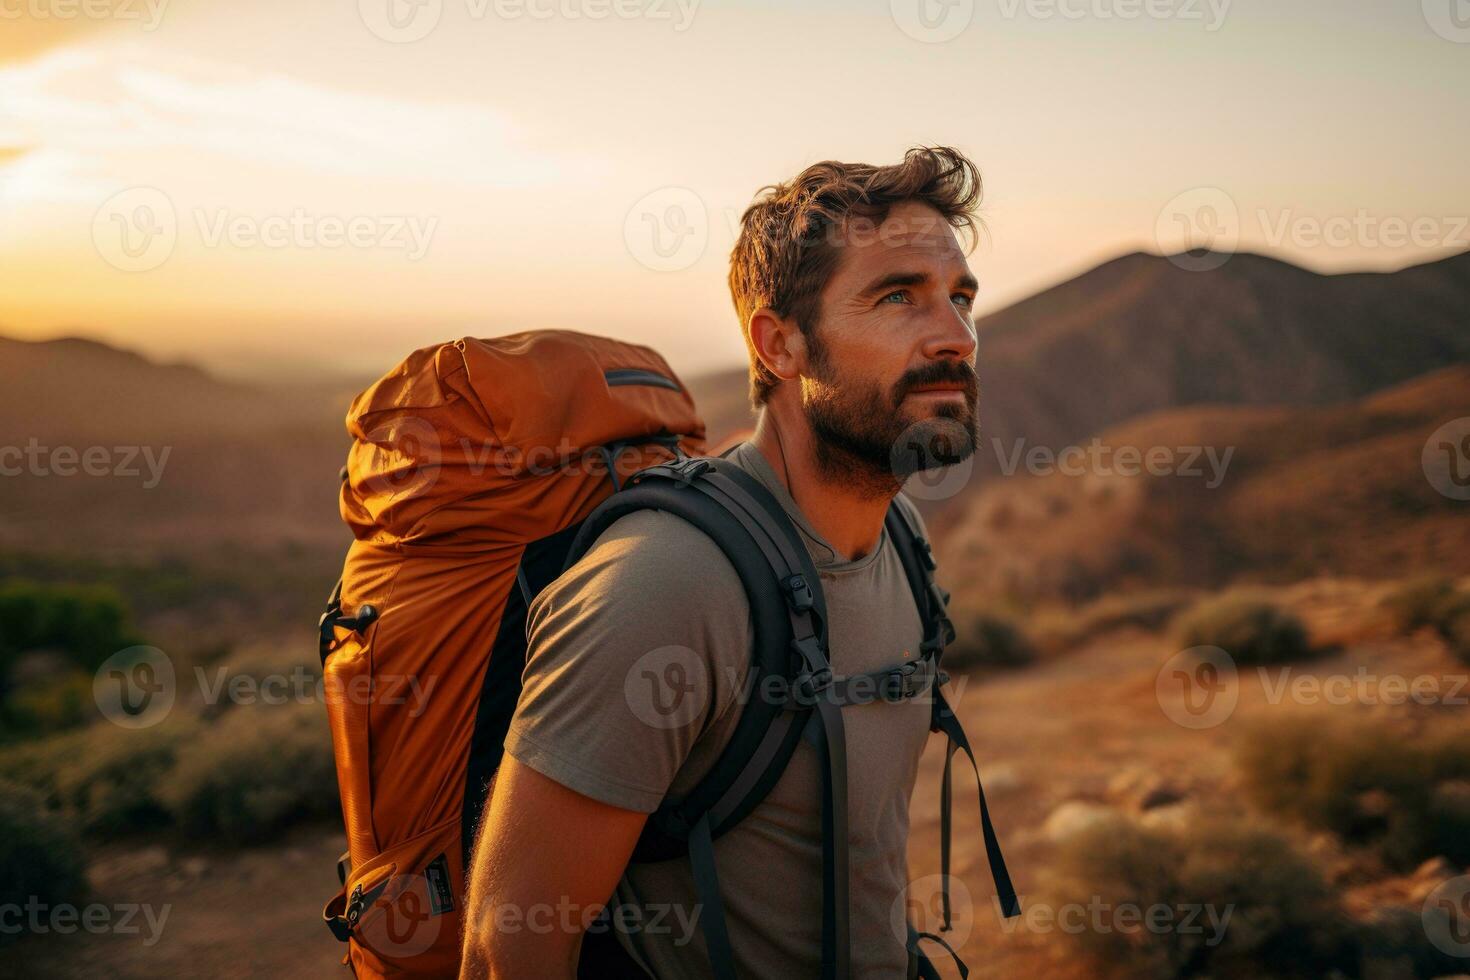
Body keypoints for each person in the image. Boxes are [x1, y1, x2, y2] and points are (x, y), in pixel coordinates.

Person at [461, 145, 985, 979]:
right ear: (781, 346)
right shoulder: (668, 586)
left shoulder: (900, 539)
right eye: (898, 297)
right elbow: (506, 948)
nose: (956, 337)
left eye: (961, 299)